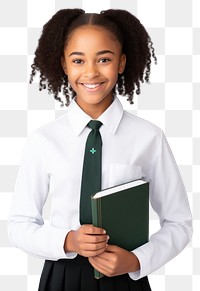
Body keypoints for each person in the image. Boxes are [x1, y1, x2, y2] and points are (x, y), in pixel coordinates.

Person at [8, 9, 192, 291]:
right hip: (62, 276)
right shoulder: (43, 140)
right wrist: (69, 241)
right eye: (78, 60)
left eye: (104, 59)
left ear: (121, 63)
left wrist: (136, 261)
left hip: (125, 277)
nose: (91, 72)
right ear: (64, 65)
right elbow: (19, 224)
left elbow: (179, 223)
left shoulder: (149, 137)